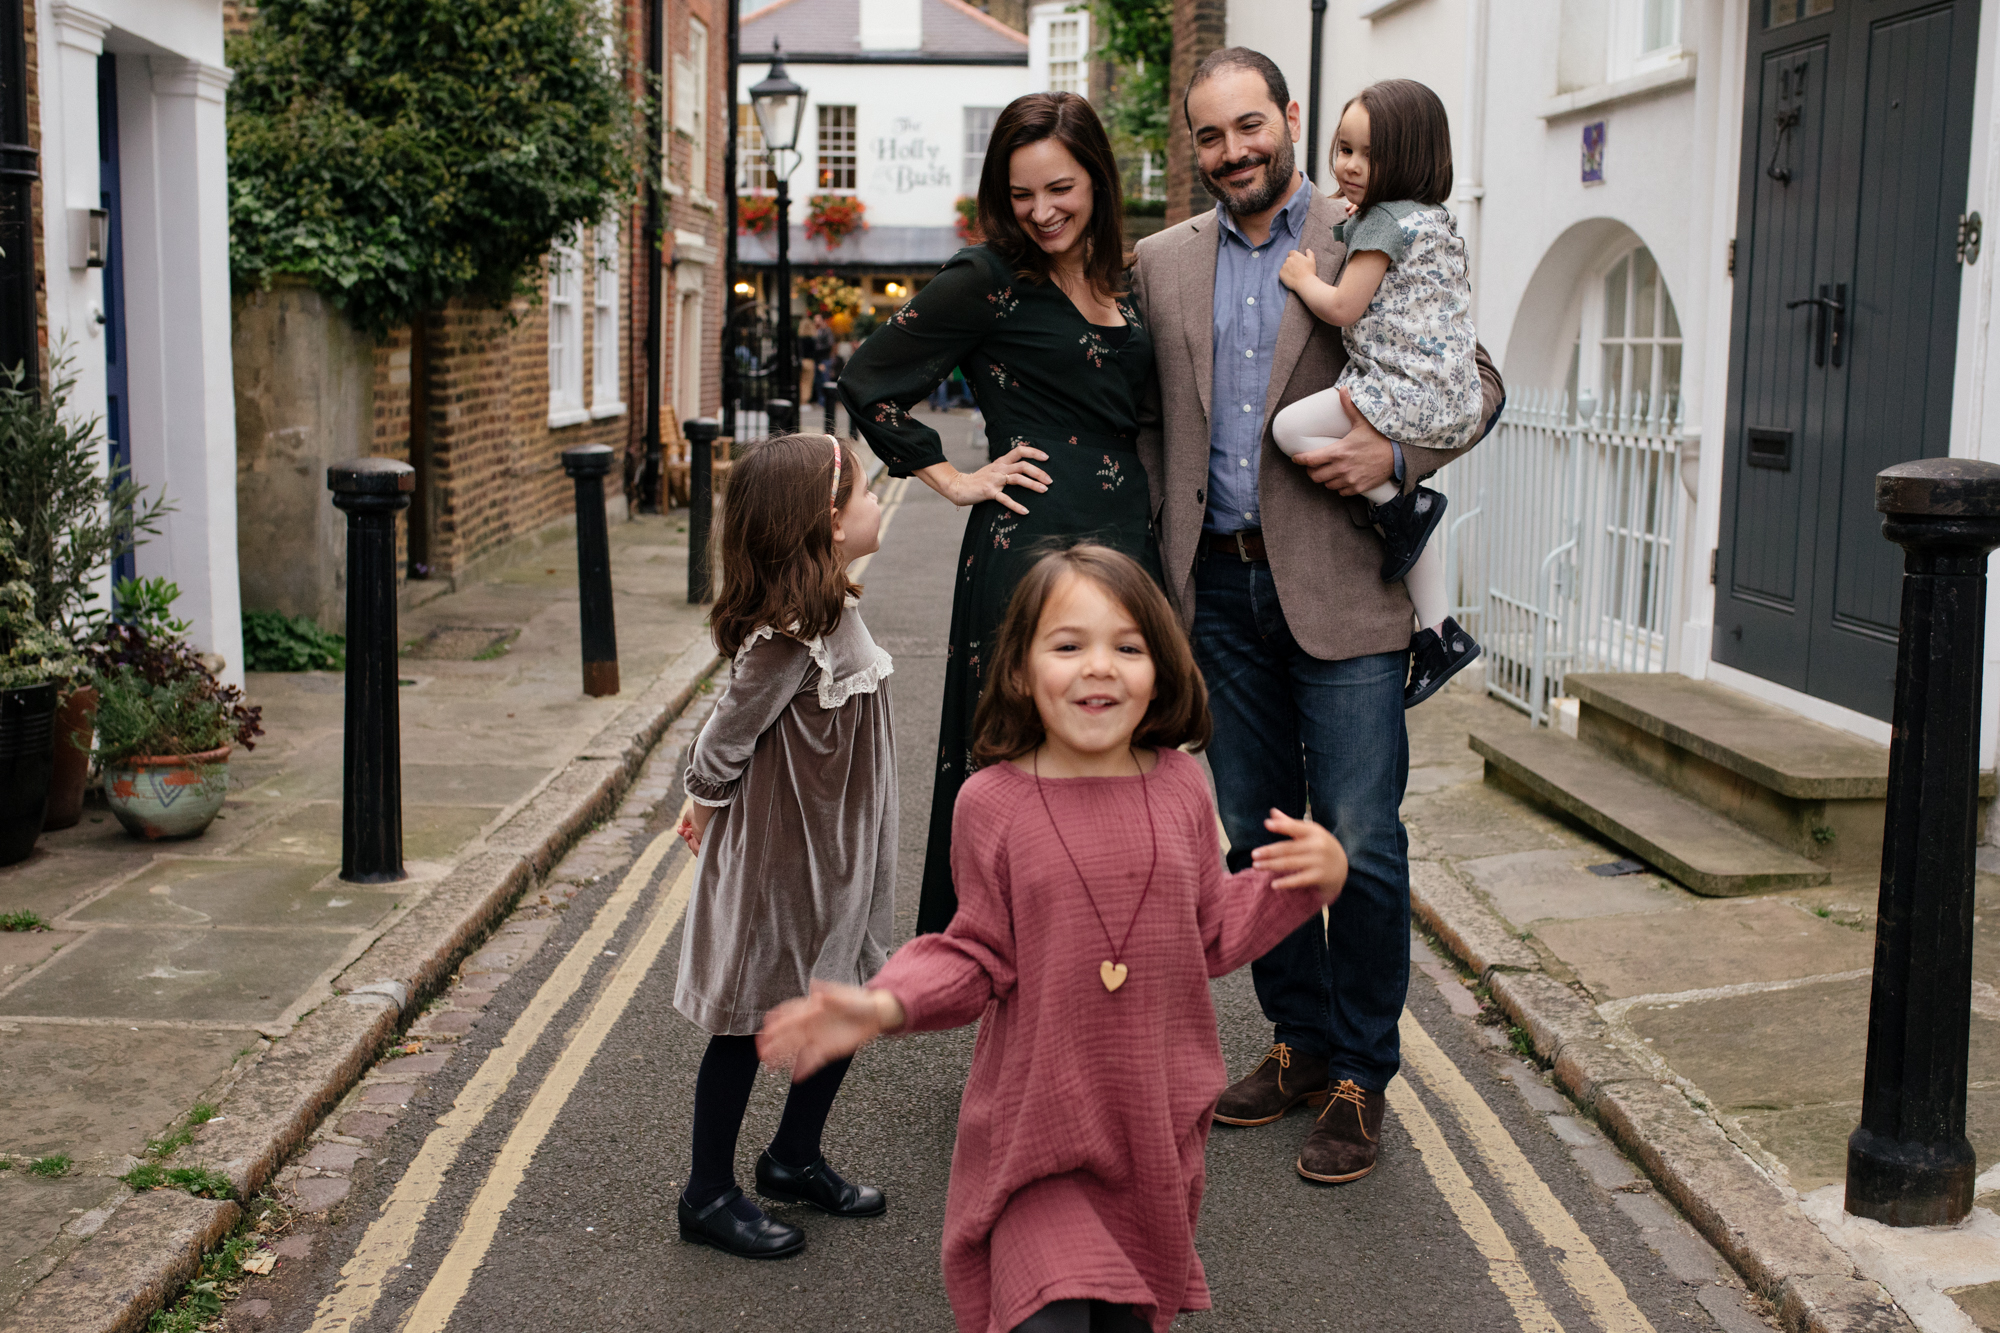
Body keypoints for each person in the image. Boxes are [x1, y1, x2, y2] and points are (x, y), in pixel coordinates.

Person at [757, 545, 1348, 1333]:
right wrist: (884, 1002)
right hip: (1036, 1137)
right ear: (1020, 670)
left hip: (1153, 1135)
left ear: (1162, 668)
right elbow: (974, 953)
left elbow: (1209, 929)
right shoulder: (990, 803)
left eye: (1127, 646)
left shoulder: (1181, 786)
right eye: (1068, 645)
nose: (1099, 666)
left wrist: (1308, 880)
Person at [1130, 48, 1505, 1186]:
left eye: (1250, 125)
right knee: (1257, 835)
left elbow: (1477, 379)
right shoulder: (1160, 261)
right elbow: (1143, 423)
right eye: (1209, 136)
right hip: (1217, 593)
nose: (1232, 150)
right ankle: (1295, 1042)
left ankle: (1360, 1070)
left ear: (1287, 118)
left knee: (1362, 838)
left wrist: (1398, 458)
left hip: (1344, 586)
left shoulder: (1371, 223)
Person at [839, 93, 1161, 935]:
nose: (1041, 211)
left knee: (1120, 780)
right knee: (1029, 775)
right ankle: (1008, 981)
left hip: (1130, 555)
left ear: (1097, 180)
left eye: (1060, 188)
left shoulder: (1128, 281)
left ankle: (1098, 976)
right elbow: (868, 379)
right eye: (1021, 194)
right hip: (1029, 554)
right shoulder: (988, 279)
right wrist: (951, 478)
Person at [670, 433, 897, 1261]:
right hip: (779, 866)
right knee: (746, 1023)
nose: (876, 503)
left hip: (835, 857)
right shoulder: (788, 635)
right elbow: (724, 735)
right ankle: (706, 1193)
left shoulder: (833, 608)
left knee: (840, 1002)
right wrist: (702, 802)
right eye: (864, 492)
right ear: (828, 521)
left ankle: (793, 1156)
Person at [1271, 80, 1484, 707]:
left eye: (1370, 154)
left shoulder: (1384, 225)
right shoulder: (1433, 219)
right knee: (1409, 523)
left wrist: (1303, 277)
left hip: (1399, 390)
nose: (1350, 166)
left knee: (1289, 429)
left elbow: (1343, 307)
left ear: (1410, 158)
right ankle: (1440, 633)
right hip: (1449, 396)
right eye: (1344, 149)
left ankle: (1399, 508)